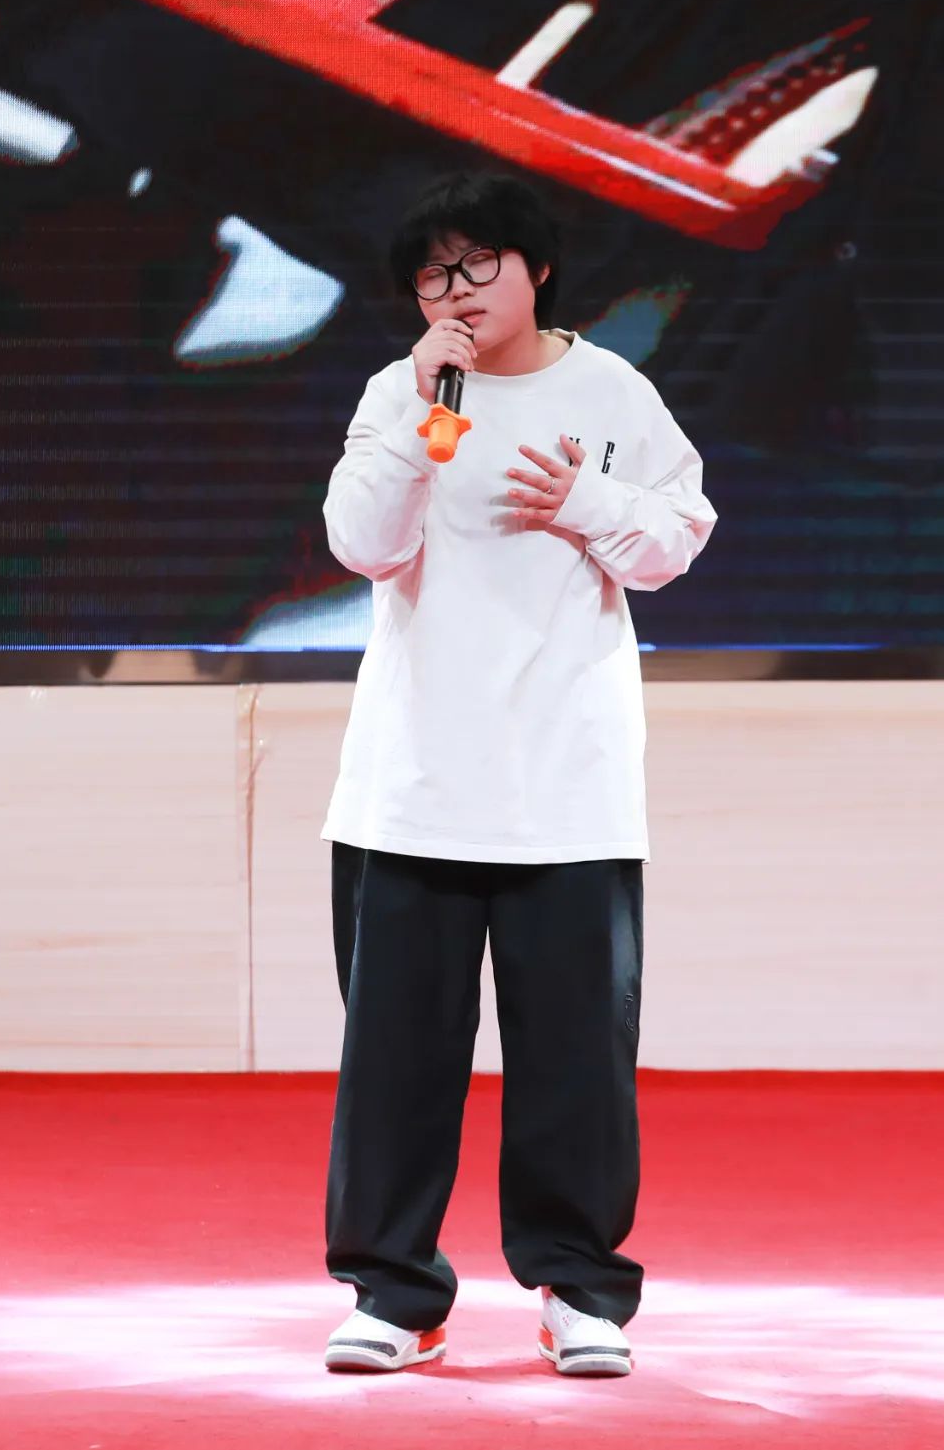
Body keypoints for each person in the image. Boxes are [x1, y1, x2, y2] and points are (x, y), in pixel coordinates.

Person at [319, 169, 716, 1376]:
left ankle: (580, 1288)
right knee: (396, 1065)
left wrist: (587, 499)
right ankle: (395, 1294)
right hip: (412, 787)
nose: (456, 290)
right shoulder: (398, 391)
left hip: (568, 791)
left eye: (478, 262)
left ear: (536, 267)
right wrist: (421, 413)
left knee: (576, 1064)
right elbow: (361, 543)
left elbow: (674, 541)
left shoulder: (615, 392)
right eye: (433, 274)